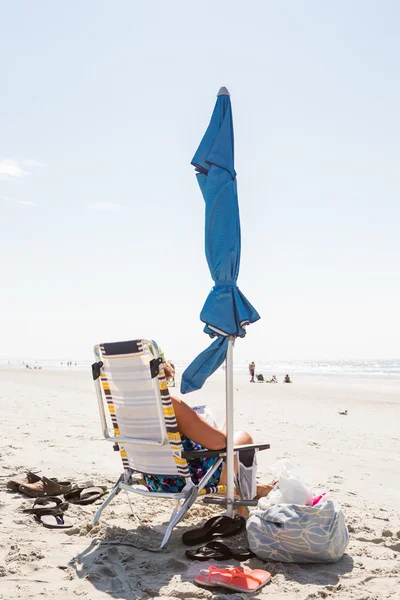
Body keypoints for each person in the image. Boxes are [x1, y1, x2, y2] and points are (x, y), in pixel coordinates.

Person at [143, 361, 275, 503]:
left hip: (153, 480)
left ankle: (251, 490)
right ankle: (242, 498)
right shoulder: (169, 404)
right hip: (187, 480)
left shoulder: (121, 406)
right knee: (242, 438)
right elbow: (220, 443)